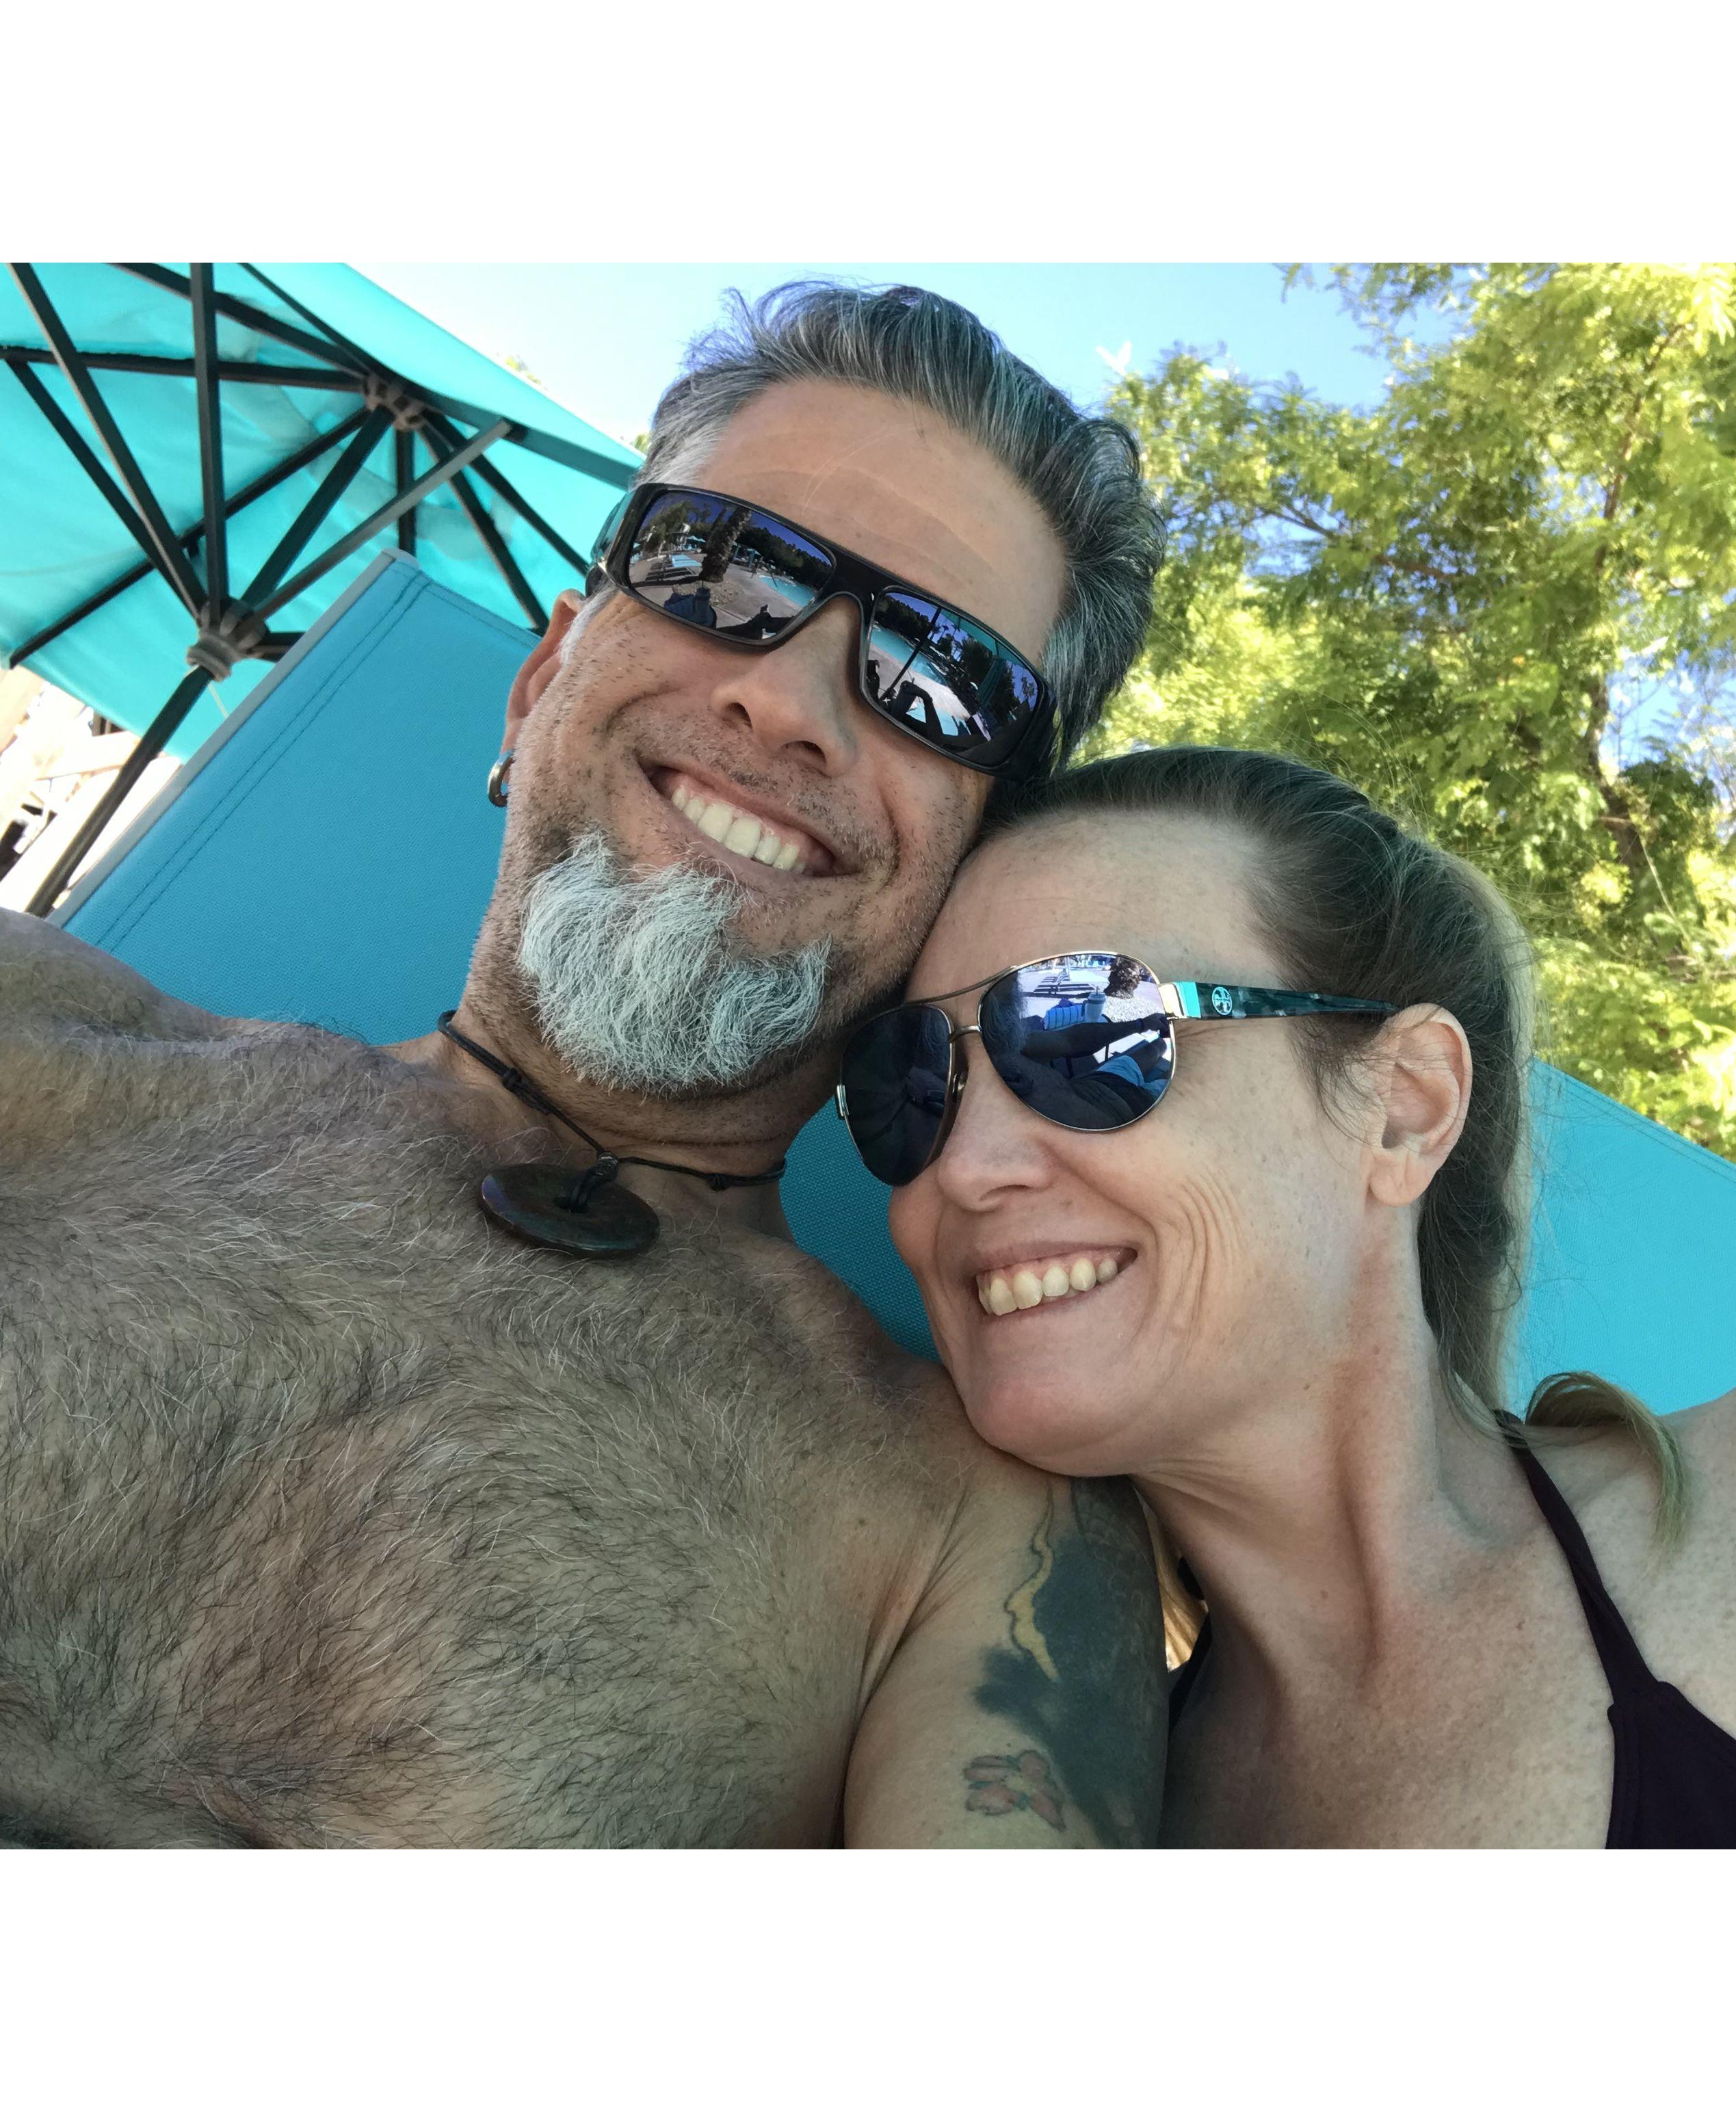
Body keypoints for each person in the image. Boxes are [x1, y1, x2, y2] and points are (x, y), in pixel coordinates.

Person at [0, 284, 1170, 1849]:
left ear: (974, 864)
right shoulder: (36, 1032)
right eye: (721, 565)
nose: (786, 698)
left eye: (940, 676)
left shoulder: (982, 1537)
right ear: (540, 675)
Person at [849, 744, 1736, 1846]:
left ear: (1404, 1108)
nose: (963, 1166)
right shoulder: (1071, 1832)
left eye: (1086, 1039)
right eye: (913, 1081)